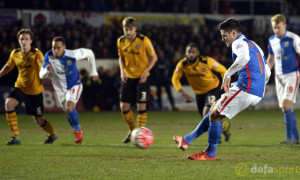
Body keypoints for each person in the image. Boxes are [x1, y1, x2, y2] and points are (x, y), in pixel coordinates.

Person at [174, 18, 271, 160]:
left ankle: (210, 153)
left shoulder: (238, 43)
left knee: (215, 116)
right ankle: (187, 140)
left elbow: (243, 58)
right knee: (215, 107)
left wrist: (228, 74)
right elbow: (267, 72)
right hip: (256, 91)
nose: (222, 39)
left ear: (233, 32)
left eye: (224, 35)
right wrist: (258, 86)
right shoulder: (254, 44)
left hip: (246, 88)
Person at [0, 28, 57, 145]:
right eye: (22, 39)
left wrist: (47, 69)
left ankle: (52, 135)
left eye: (26, 39)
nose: (24, 41)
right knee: (9, 104)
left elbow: (43, 64)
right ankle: (16, 137)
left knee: (39, 120)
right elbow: (8, 66)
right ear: (18, 40)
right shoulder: (15, 53)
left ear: (31, 41)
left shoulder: (36, 53)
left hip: (35, 91)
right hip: (20, 87)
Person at [40, 36, 98, 144]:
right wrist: (46, 71)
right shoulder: (48, 55)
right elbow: (41, 75)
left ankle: (77, 131)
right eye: (54, 48)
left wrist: (94, 72)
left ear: (64, 47)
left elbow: (89, 52)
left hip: (74, 85)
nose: (55, 50)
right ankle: (78, 127)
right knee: (68, 112)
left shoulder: (72, 54)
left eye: (58, 48)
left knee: (69, 107)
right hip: (60, 89)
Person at [172, 43, 231, 144]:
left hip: (213, 88)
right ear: (185, 53)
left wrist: (225, 84)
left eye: (193, 52)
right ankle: (224, 127)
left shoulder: (207, 61)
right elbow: (174, 79)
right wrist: (183, 94)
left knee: (207, 113)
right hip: (199, 93)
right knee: (206, 118)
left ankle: (215, 138)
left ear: (198, 53)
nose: (191, 54)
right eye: (189, 52)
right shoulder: (182, 64)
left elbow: (223, 70)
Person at [117, 17, 158, 143]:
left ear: (135, 28)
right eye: (126, 29)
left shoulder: (144, 40)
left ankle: (140, 134)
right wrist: (122, 71)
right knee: (124, 107)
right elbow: (121, 58)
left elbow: (154, 57)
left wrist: (146, 72)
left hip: (142, 78)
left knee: (141, 105)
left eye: (130, 29)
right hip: (128, 77)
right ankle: (132, 131)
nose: (128, 32)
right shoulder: (121, 41)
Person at [267, 14, 300, 145]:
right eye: (274, 28)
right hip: (278, 76)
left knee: (286, 105)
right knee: (285, 108)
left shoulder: (294, 38)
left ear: (284, 25)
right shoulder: (271, 40)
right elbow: (271, 60)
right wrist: (265, 73)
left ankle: (289, 138)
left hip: (292, 75)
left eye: (278, 28)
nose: (276, 30)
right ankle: (296, 138)